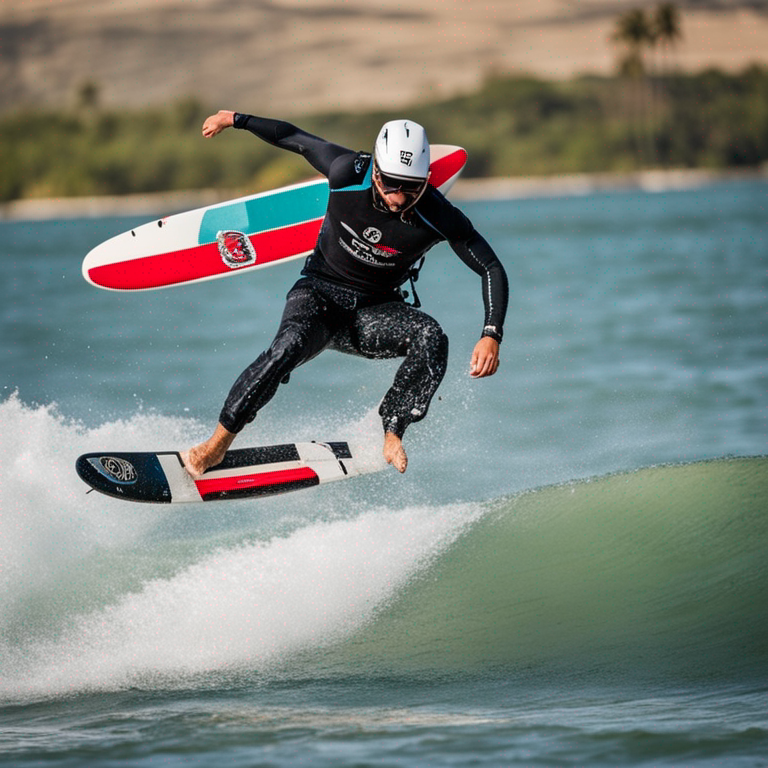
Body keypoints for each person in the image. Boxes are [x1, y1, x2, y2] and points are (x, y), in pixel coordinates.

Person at [182, 111, 508, 476]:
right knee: (287, 348)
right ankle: (217, 444)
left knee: (431, 337)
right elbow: (293, 136)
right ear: (376, 171)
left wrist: (491, 333)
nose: (398, 197)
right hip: (318, 295)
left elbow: (490, 267)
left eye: (411, 187)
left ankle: (394, 430)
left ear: (426, 181)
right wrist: (235, 119)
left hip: (372, 315)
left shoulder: (437, 214)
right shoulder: (346, 171)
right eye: (390, 184)